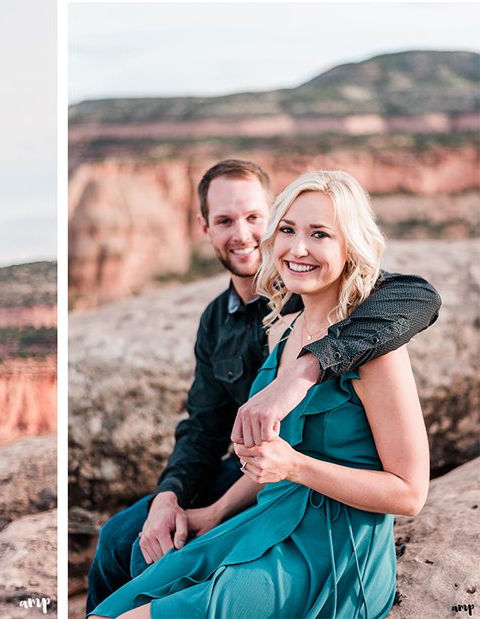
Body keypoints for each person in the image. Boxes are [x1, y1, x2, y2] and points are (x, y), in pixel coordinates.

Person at [85, 160, 441, 612]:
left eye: (320, 233)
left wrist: (304, 377)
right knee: (121, 561)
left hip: (325, 546)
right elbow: (203, 427)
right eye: (289, 231)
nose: (296, 246)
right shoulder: (273, 326)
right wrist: (180, 500)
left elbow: (420, 296)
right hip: (267, 502)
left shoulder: (370, 330)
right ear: (206, 228)